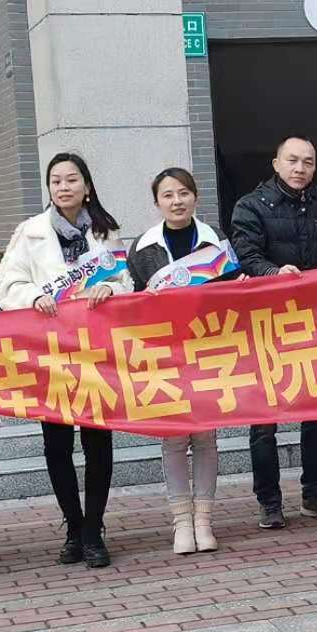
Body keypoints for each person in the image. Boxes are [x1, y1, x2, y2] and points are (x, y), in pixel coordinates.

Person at [0, 153, 130, 568]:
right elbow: (6, 284)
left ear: (87, 186)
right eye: (56, 181)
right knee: (56, 444)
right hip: (49, 352)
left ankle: (94, 530)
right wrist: (34, 296)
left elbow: (126, 280)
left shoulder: (106, 231)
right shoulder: (30, 232)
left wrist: (111, 289)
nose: (63, 187)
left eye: (72, 179)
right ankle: (73, 526)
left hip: (95, 351)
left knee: (97, 441)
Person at [229, 136, 317, 530]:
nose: (300, 169)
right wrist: (272, 274)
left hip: (313, 323)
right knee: (264, 420)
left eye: (308, 162)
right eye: (292, 160)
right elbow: (245, 254)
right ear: (276, 163)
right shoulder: (250, 206)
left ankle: (315, 493)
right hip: (265, 324)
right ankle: (269, 501)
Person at [129, 168, 228, 554]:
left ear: (195, 197)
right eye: (168, 195)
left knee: (205, 437)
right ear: (157, 202)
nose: (177, 201)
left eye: (184, 193)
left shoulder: (214, 239)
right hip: (164, 352)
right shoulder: (143, 247)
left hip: (208, 348)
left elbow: (234, 290)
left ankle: (204, 520)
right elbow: (129, 299)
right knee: (173, 439)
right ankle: (181, 523)